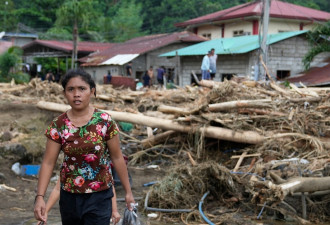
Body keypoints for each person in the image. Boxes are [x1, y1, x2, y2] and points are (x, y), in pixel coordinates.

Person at [34, 68, 135, 225]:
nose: (76, 94)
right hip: (69, 198)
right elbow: (48, 162)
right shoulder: (58, 125)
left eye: (82, 88)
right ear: (64, 94)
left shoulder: (104, 121)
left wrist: (128, 192)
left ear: (92, 91)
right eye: (70, 89)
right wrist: (40, 197)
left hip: (100, 196)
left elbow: (117, 157)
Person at [37, 179, 121, 225]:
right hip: (73, 207)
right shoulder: (71, 167)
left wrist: (114, 210)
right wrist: (46, 212)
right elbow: (57, 189)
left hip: (97, 205)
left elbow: (109, 186)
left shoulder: (100, 163)